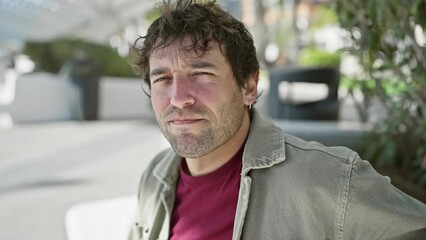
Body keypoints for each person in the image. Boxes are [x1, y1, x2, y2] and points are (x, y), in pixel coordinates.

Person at [128, 0, 426, 239]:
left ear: (248, 87)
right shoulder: (156, 176)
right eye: (163, 78)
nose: (179, 97)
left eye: (201, 74)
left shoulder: (327, 180)